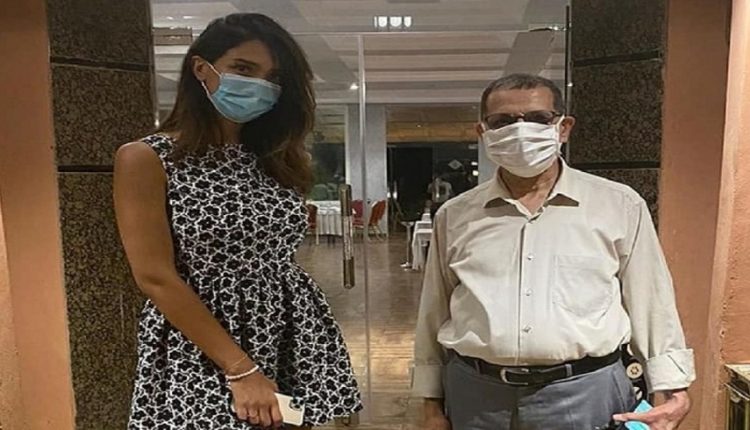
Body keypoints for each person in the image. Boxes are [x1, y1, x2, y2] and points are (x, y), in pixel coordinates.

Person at [114, 13, 362, 429]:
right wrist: (240, 369)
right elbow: (154, 276)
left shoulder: (276, 158)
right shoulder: (149, 158)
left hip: (287, 329)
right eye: (244, 69)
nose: (259, 85)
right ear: (201, 69)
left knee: (288, 423)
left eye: (273, 77)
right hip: (201, 342)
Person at [412, 74, 694, 430]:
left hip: (585, 392)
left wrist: (672, 387)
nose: (520, 130)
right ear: (483, 132)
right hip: (476, 394)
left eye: (538, 118)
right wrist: (430, 404)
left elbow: (651, 299)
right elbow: (434, 311)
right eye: (502, 121)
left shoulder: (618, 205)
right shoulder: (455, 215)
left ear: (563, 127)